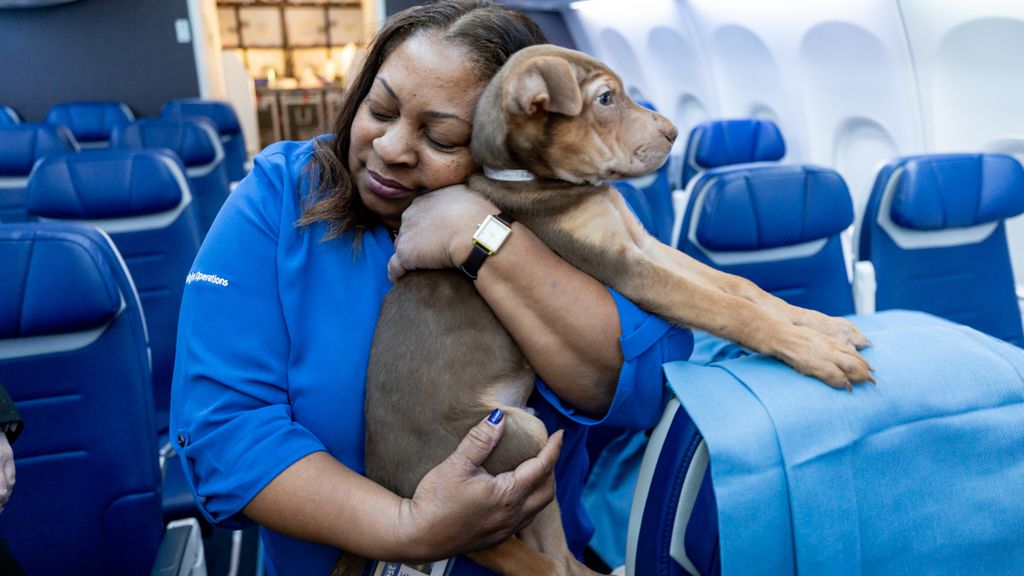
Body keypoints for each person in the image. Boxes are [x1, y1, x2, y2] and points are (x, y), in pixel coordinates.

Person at [169, 1, 692, 575]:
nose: (391, 148)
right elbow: (222, 431)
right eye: (380, 109)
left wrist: (483, 239)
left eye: (442, 138)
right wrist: (407, 528)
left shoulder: (573, 209)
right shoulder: (280, 196)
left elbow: (640, 388)